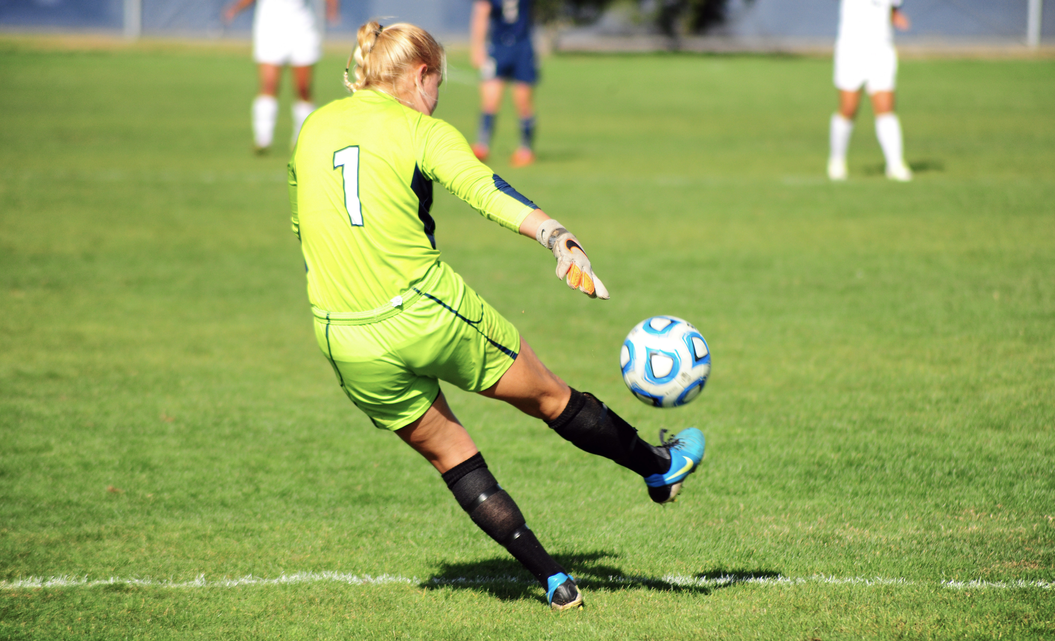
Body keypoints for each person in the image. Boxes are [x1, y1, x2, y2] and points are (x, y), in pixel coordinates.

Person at [288, 21, 707, 611]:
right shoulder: (419, 127)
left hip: (342, 333)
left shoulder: (313, 126)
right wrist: (557, 236)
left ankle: (555, 581)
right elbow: (485, 188)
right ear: (421, 74)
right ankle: (659, 467)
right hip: (425, 312)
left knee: (451, 455)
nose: (438, 95)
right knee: (550, 398)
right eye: (439, 82)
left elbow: (304, 227)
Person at [223, 0, 339, 154]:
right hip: (270, 26)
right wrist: (236, 8)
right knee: (269, 85)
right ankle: (262, 139)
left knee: (303, 89)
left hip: (303, 26)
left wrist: (332, 8)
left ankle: (301, 138)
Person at [827, 0, 912, 182]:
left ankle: (895, 164)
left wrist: (896, 15)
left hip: (881, 50)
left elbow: (893, 9)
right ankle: (837, 160)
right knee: (848, 108)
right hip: (851, 49)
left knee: (885, 107)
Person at [469, 0, 539, 167]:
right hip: (498, 47)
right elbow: (481, 14)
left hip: (523, 47)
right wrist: (477, 47)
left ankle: (525, 149)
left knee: (523, 100)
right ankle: (482, 146)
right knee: (490, 98)